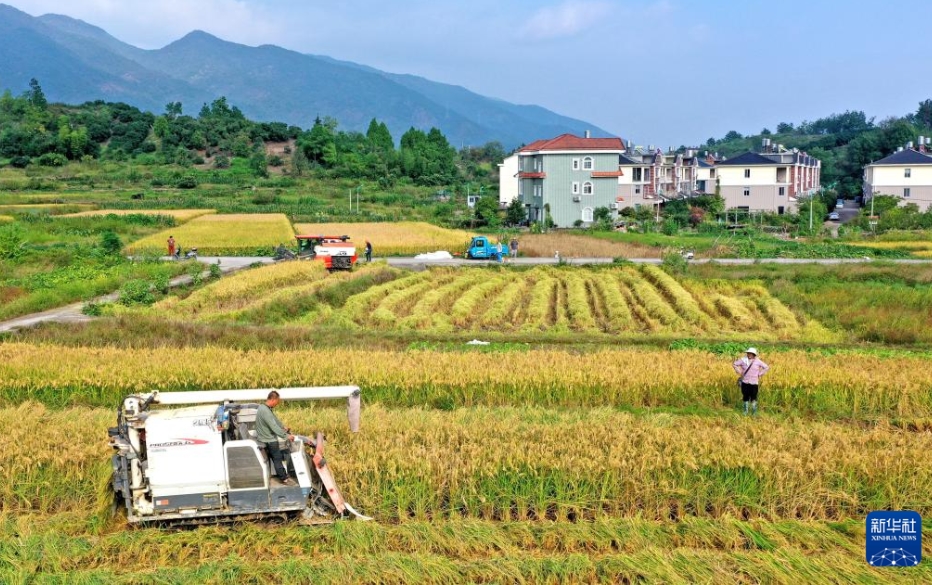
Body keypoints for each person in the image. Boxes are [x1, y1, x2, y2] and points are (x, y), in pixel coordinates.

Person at [255, 390, 296, 485]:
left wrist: (282, 427)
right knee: (277, 459)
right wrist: (286, 436)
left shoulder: (263, 407)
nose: (277, 404)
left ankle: (282, 475)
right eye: (277, 402)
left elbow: (274, 419)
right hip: (269, 440)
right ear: (273, 399)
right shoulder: (265, 411)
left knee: (275, 458)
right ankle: (284, 479)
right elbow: (273, 427)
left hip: (263, 438)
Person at [732, 347, 770, 415]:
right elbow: (734, 364)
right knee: (745, 396)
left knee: (754, 397)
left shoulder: (757, 361)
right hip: (745, 382)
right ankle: (745, 412)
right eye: (748, 353)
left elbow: (766, 367)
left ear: (754, 354)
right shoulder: (743, 360)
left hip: (754, 382)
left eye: (751, 353)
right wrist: (739, 371)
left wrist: (760, 374)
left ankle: (754, 412)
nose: (749, 354)